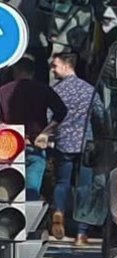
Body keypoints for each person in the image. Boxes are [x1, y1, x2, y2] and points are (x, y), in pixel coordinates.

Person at [49, 52, 107, 245]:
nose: (52, 69)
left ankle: (59, 211)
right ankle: (82, 233)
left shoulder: (56, 91)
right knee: (85, 187)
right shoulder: (88, 90)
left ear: (67, 66)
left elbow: (49, 116)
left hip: (63, 143)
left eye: (55, 66)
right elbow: (100, 115)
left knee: (62, 183)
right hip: (85, 145)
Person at [0, 56, 67, 200]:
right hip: (35, 145)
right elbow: (62, 111)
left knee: (8, 196)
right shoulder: (42, 89)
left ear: (14, 70)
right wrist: (46, 132)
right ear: (33, 72)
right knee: (31, 194)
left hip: (8, 148)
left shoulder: (3, 91)